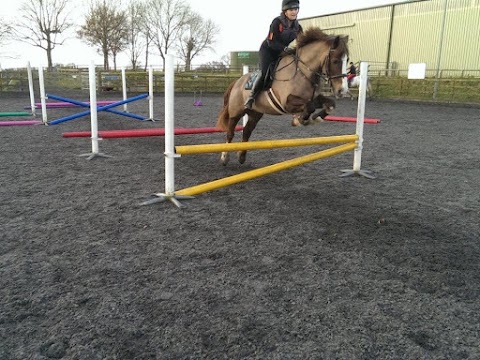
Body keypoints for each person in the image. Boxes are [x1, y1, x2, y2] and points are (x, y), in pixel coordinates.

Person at [244, 0, 303, 109]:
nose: (294, 12)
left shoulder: (298, 27)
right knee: (265, 72)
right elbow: (271, 42)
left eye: (296, 9)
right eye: (291, 9)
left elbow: (302, 42)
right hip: (268, 50)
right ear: (285, 11)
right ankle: (252, 96)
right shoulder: (277, 22)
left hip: (282, 52)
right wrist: (285, 49)